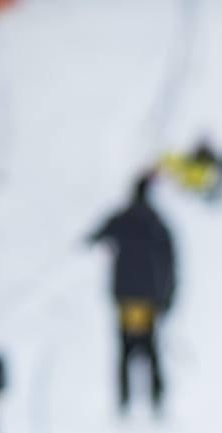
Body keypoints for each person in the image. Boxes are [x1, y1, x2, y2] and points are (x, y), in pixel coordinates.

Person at [87, 172, 177, 414]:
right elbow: (170, 261)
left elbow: (98, 234)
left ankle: (124, 399)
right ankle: (156, 398)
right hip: (148, 297)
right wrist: (167, 297)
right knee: (150, 347)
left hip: (126, 296)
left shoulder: (123, 218)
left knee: (126, 349)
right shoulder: (156, 222)